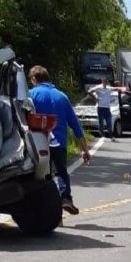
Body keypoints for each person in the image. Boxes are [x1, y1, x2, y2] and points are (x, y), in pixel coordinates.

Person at [29, 66, 91, 215]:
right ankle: (65, 199)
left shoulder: (30, 94)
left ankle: (43, 208)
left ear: (33, 79)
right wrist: (85, 150)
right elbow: (75, 125)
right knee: (62, 172)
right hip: (59, 143)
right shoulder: (62, 97)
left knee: (41, 176)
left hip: (37, 143)